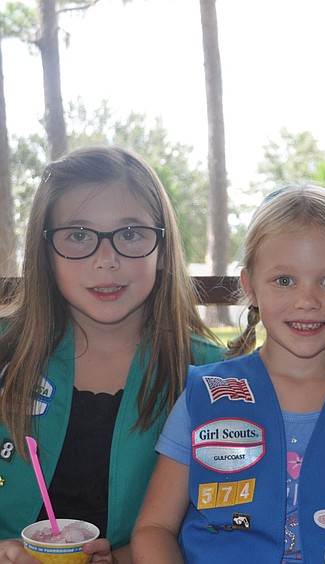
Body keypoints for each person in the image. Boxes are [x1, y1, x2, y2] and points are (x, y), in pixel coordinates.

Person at [131, 184, 325, 563]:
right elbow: (154, 529)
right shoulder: (204, 395)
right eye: (284, 280)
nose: (307, 300)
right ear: (250, 286)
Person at [0, 146, 225, 564]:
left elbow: (233, 521)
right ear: (45, 252)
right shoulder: (5, 353)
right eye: (79, 235)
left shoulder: (213, 377)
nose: (107, 261)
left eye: (131, 234)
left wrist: (124, 557)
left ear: (162, 247)